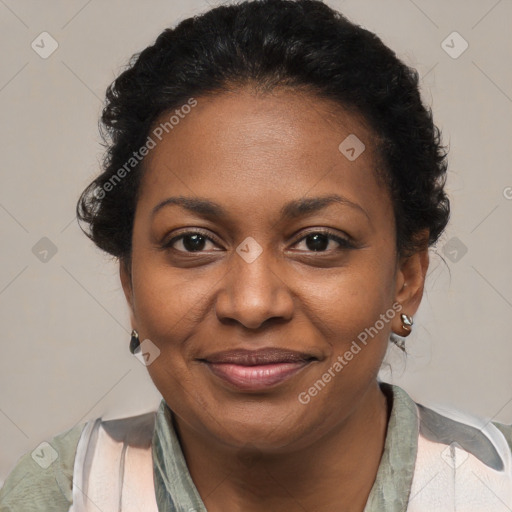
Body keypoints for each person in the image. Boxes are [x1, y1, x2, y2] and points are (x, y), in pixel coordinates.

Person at [1, 0, 511, 510]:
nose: (251, 304)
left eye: (318, 241)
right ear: (130, 281)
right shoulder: (60, 494)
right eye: (193, 242)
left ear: (407, 276)